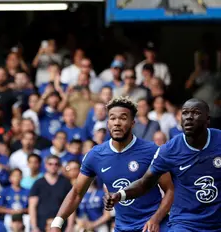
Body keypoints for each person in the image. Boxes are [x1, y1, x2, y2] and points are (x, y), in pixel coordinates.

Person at [49, 97, 174, 232]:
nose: (117, 123)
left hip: (154, 225)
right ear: (108, 122)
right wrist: (57, 223)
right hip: (122, 227)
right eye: (113, 118)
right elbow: (77, 193)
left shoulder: (151, 151)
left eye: (123, 118)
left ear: (133, 123)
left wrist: (156, 219)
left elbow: (170, 190)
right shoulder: (95, 155)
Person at [104, 98, 221, 231]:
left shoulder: (219, 141)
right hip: (185, 223)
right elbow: (144, 183)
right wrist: (120, 195)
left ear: (208, 119)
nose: (188, 117)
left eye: (195, 113)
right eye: (185, 113)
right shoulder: (169, 150)